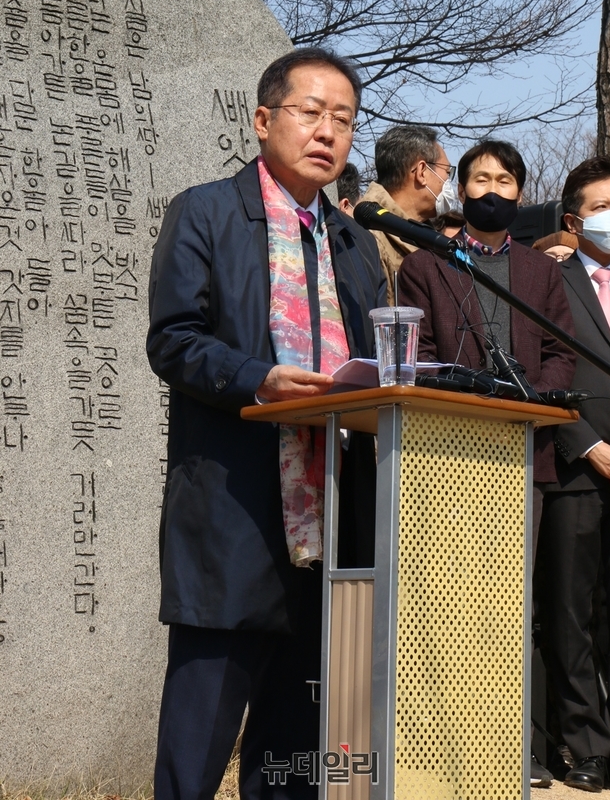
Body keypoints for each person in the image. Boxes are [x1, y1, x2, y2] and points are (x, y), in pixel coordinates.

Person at [146, 46, 386, 800]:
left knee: (294, 763)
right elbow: (173, 339)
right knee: (196, 755)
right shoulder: (208, 211)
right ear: (262, 119)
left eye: (343, 120)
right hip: (236, 519)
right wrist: (260, 379)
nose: (327, 132)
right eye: (310, 112)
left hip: (334, 528)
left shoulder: (354, 240)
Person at [398, 138, 576, 789]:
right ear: (461, 190)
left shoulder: (541, 272)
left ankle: (512, 748)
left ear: (521, 193)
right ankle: (444, 749)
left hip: (522, 456)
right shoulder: (425, 265)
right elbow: (417, 352)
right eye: (479, 178)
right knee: (449, 607)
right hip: (449, 457)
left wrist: (533, 393)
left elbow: (561, 351)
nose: (492, 188)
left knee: (512, 608)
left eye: (504, 178)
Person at [541, 156, 610, 797]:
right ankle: (584, 744)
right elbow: (540, 368)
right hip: (577, 464)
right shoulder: (546, 281)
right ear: (575, 220)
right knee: (571, 609)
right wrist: (588, 444)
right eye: (603, 208)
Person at [357, 124, 455, 303]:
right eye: (448, 172)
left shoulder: (428, 238)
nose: (449, 182)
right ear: (422, 172)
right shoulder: (367, 238)